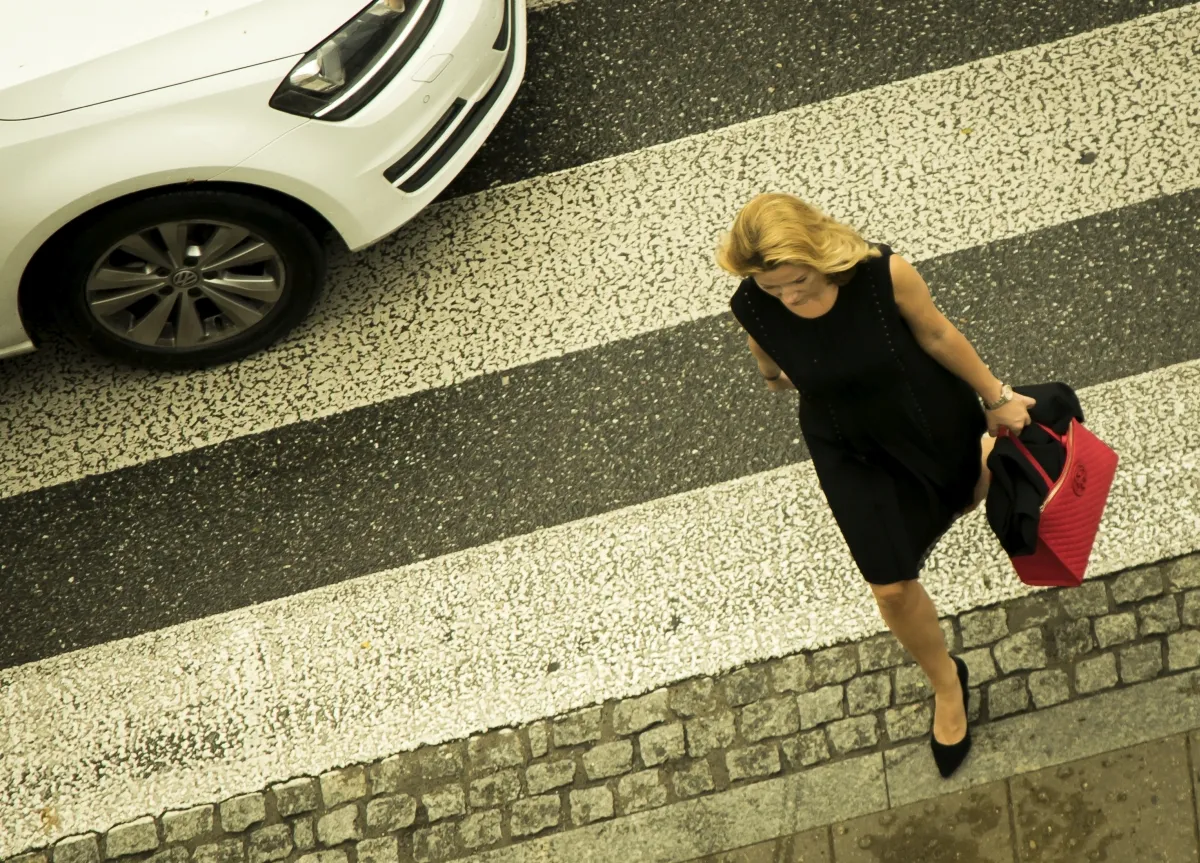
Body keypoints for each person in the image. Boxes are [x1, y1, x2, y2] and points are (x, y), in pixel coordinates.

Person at [717, 193, 1035, 777]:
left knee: (966, 496)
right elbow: (770, 369)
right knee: (889, 587)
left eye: (797, 280)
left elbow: (938, 336)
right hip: (847, 448)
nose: (787, 297)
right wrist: (782, 370)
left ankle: (1007, 438)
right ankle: (946, 683)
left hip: (923, 416)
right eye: (771, 288)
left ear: (819, 251)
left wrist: (997, 397)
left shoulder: (884, 272)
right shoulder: (753, 306)